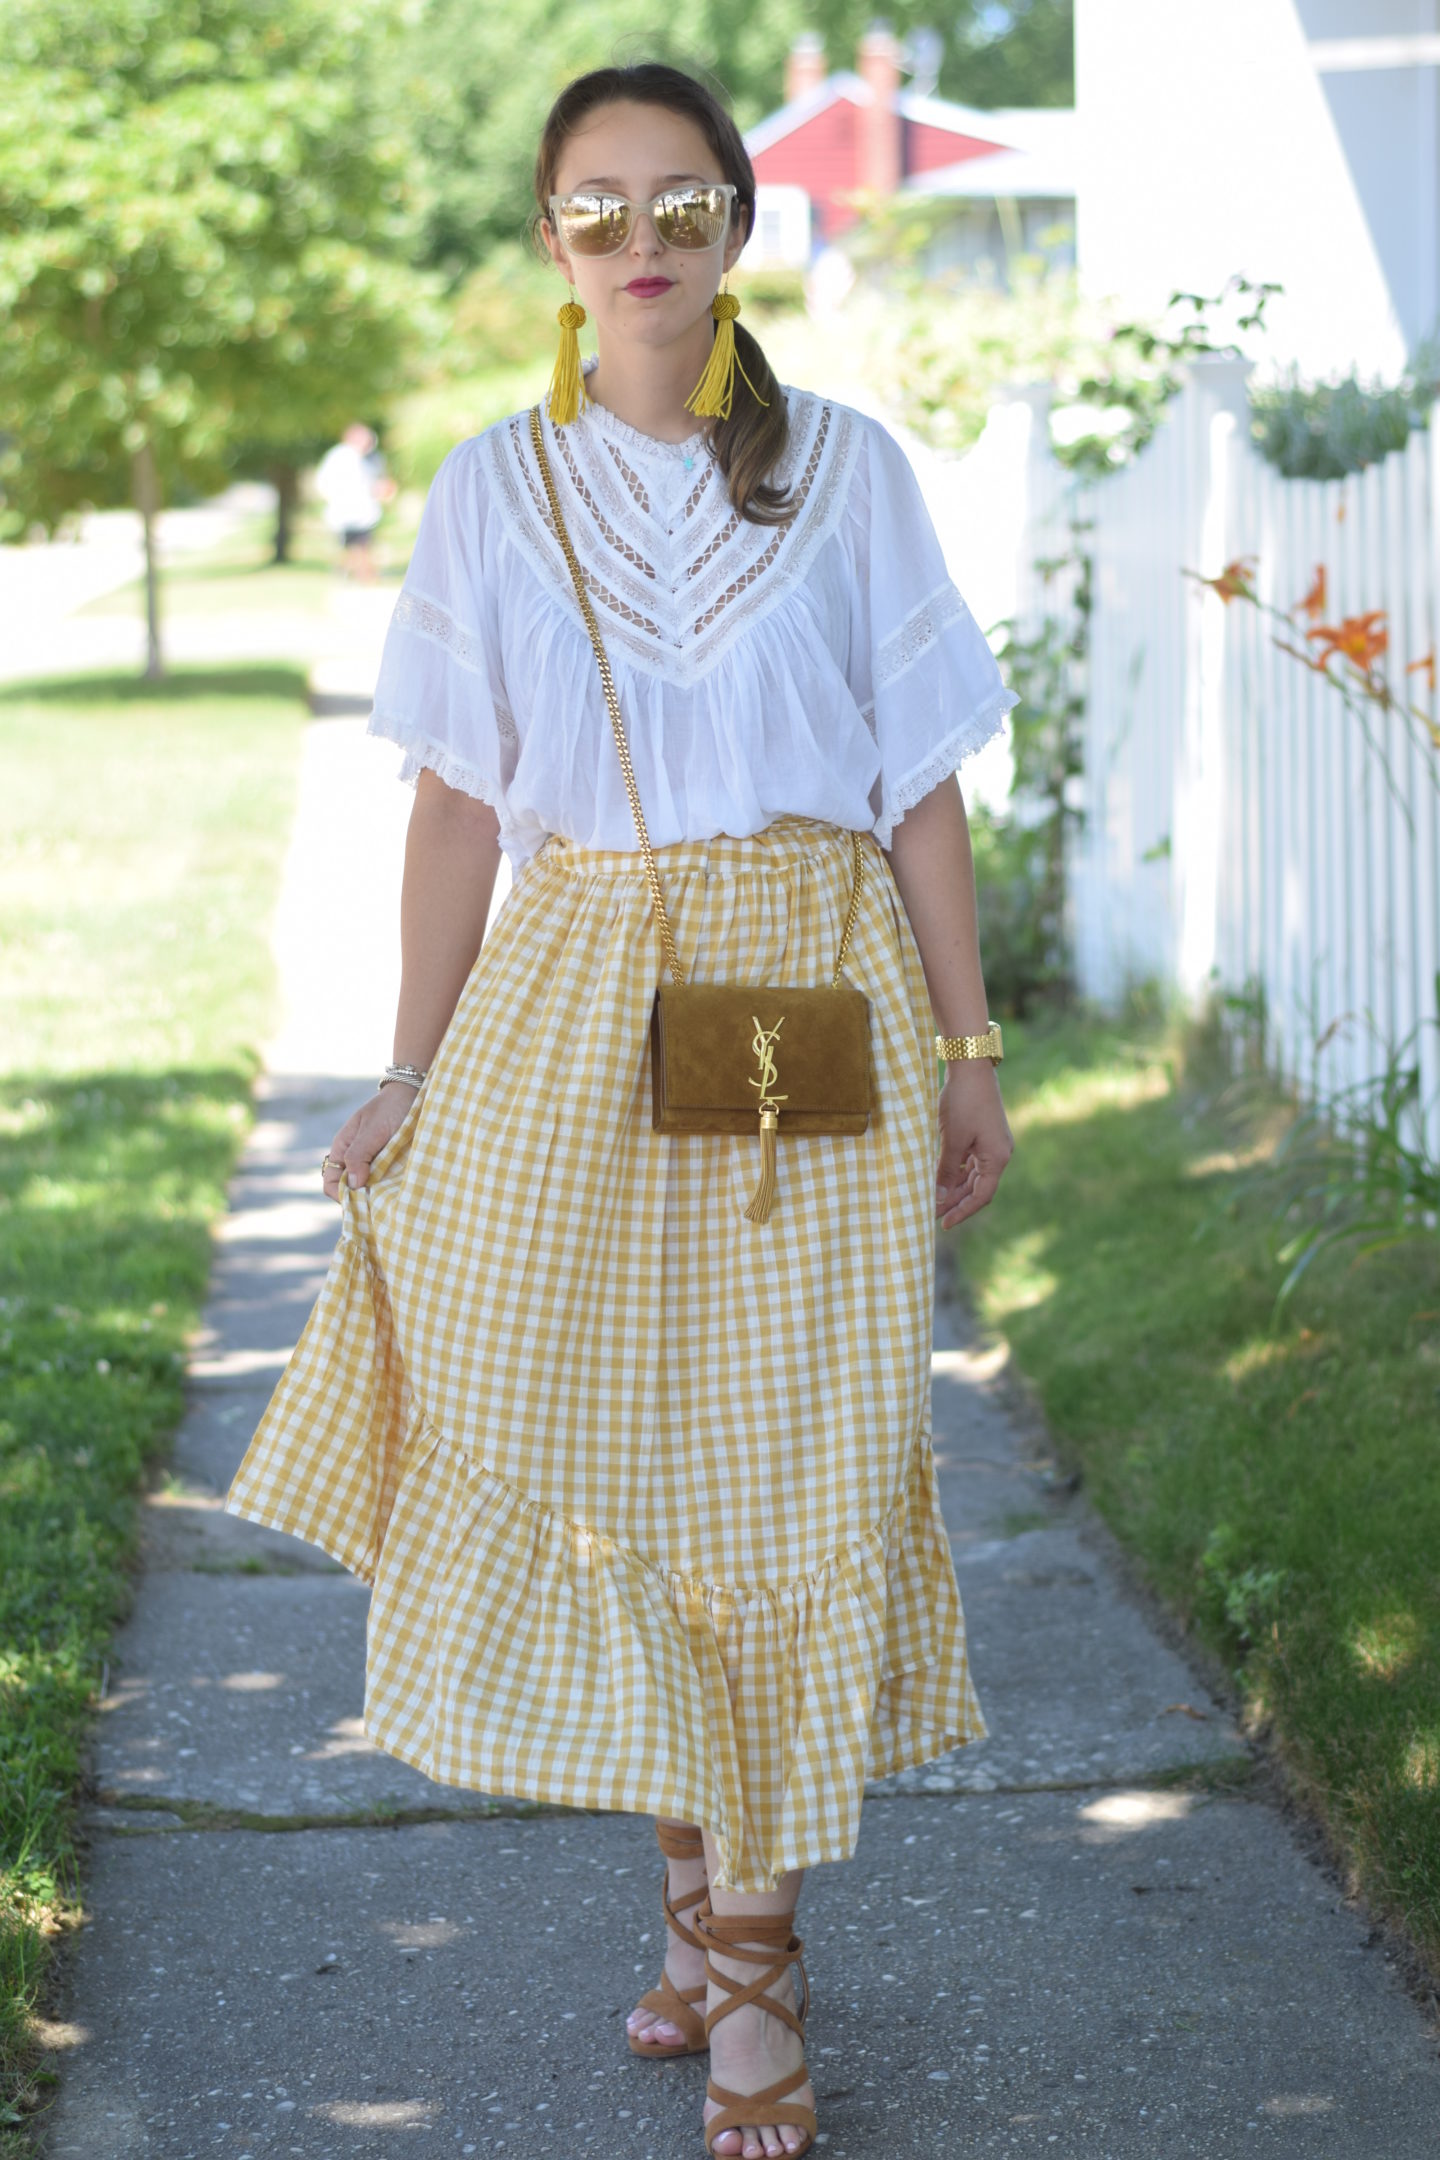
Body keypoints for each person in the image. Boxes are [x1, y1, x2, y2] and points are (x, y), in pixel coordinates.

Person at [226, 60, 1017, 2160]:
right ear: (556, 242)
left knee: (771, 1455)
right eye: (597, 208)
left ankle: (751, 1970)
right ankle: (698, 1906)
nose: (640, 241)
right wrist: (409, 1066)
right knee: (620, 1458)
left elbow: (921, 785)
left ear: (738, 227)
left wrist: (970, 1049)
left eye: (679, 202)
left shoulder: (849, 471)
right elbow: (460, 803)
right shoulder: (495, 487)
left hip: (798, 1001)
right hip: (577, 1001)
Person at [313, 421, 392, 582]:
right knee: (350, 546)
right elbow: (324, 483)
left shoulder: (369, 458)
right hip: (345, 510)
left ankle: (362, 574)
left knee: (363, 544)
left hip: (364, 511)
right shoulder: (338, 457)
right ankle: (355, 573)